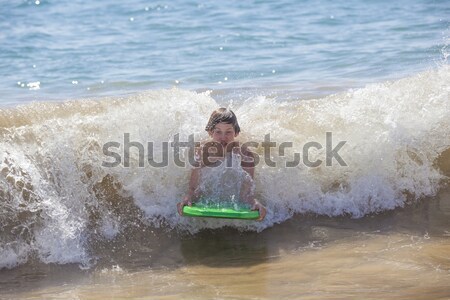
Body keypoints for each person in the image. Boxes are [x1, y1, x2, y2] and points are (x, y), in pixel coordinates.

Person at [177, 108, 267, 221]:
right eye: (218, 131)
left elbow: (246, 194)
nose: (223, 137)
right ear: (210, 132)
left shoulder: (245, 155)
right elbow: (193, 188)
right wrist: (188, 198)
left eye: (228, 132)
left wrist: (254, 203)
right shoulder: (202, 151)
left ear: (236, 133)